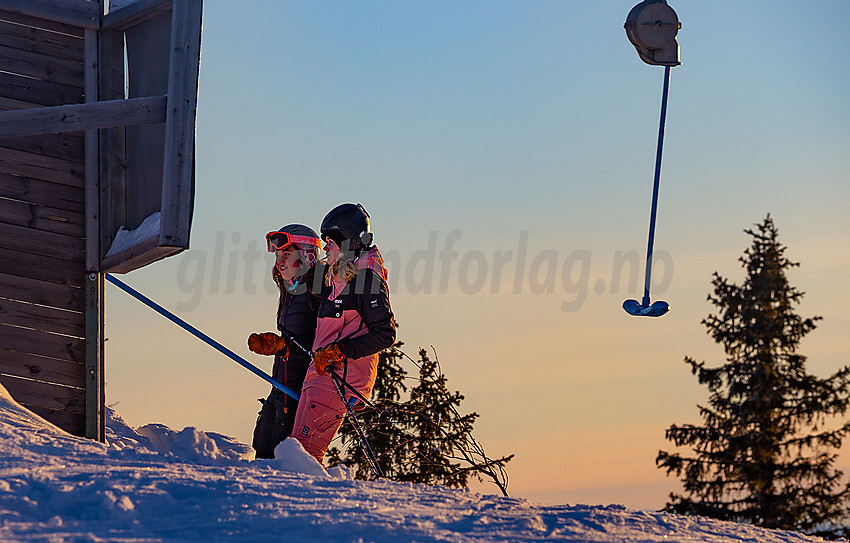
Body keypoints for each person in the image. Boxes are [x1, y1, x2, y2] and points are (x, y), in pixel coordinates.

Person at [291, 203, 396, 464]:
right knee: (294, 453)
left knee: (304, 459)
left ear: (348, 243)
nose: (325, 248)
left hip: (340, 379)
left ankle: (308, 504)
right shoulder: (338, 277)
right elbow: (301, 281)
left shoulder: (366, 278)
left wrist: (339, 351)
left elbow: (385, 333)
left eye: (330, 242)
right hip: (320, 375)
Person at [247, 224, 323, 459]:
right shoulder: (291, 291)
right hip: (280, 387)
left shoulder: (321, 291)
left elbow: (320, 346)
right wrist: (275, 344)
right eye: (278, 256)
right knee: (261, 446)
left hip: (301, 393)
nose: (279, 261)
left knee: (283, 457)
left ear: (308, 255)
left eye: (286, 255)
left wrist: (284, 347)